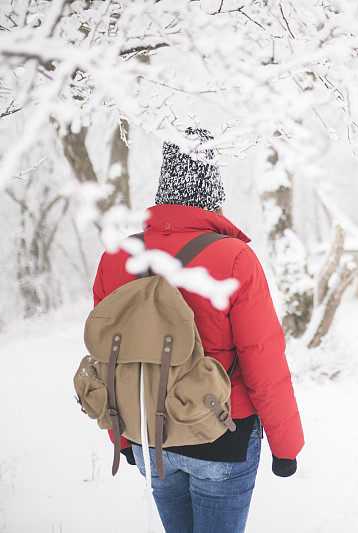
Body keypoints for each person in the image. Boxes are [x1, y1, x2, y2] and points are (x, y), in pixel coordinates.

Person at [91, 128, 304, 533]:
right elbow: (263, 359)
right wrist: (286, 445)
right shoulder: (234, 258)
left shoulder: (117, 258)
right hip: (221, 435)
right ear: (212, 190)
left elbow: (109, 360)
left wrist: (121, 437)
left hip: (148, 433)